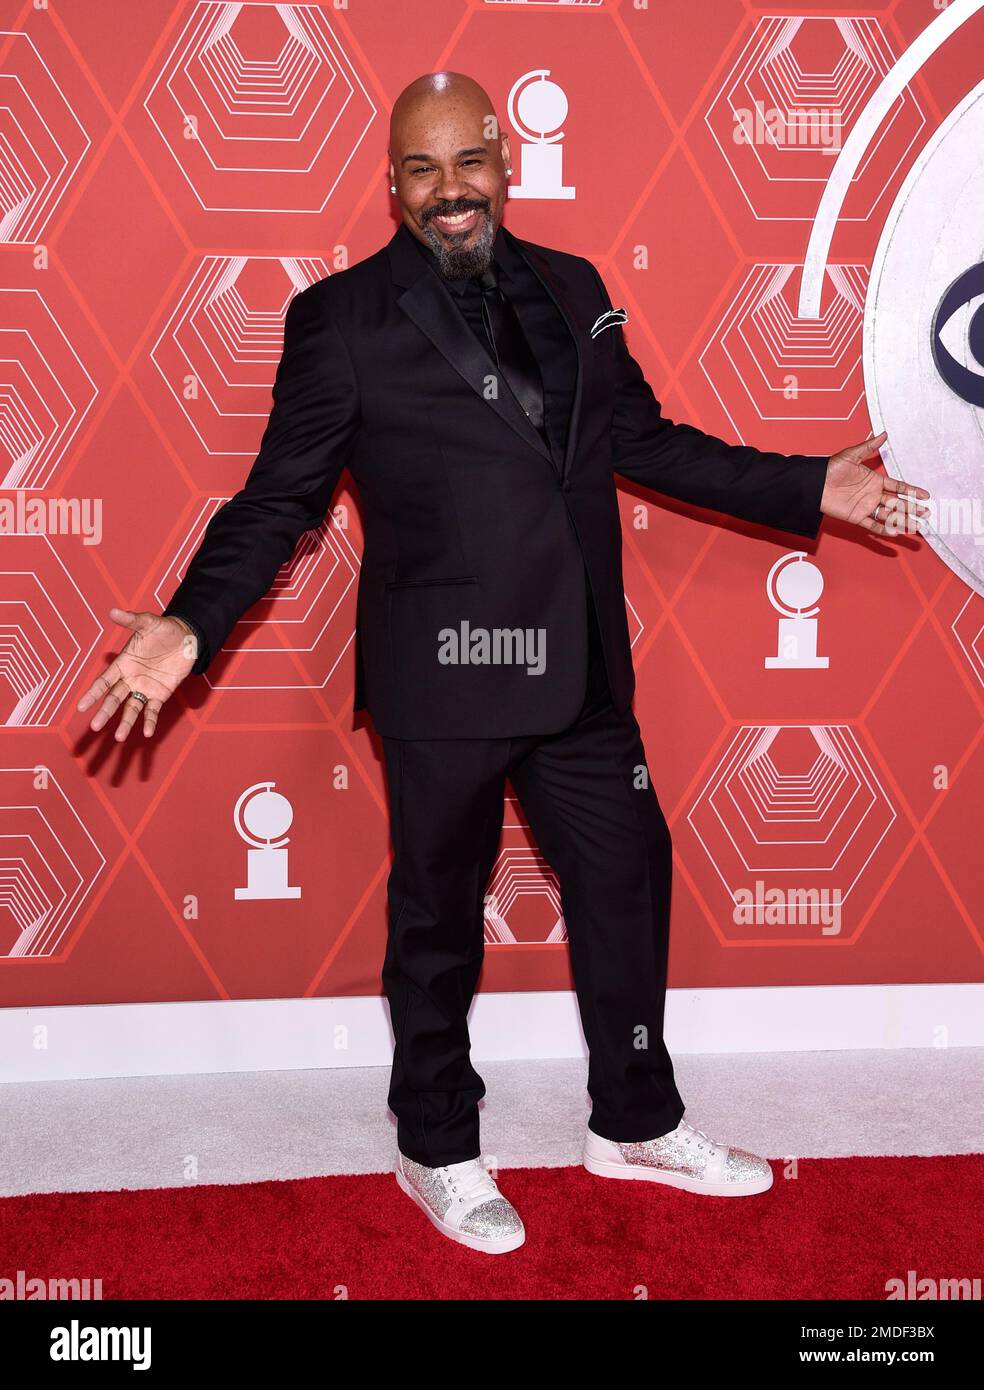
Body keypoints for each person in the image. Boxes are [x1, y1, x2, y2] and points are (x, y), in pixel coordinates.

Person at [77, 71, 929, 1256]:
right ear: (392, 188)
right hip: (446, 671)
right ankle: (436, 1144)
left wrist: (809, 484)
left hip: (578, 667)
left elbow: (645, 441)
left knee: (628, 879)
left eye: (466, 162)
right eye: (420, 172)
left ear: (503, 160)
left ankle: (635, 1120)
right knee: (438, 919)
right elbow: (279, 502)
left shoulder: (576, 290)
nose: (449, 192)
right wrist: (187, 621)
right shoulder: (342, 320)